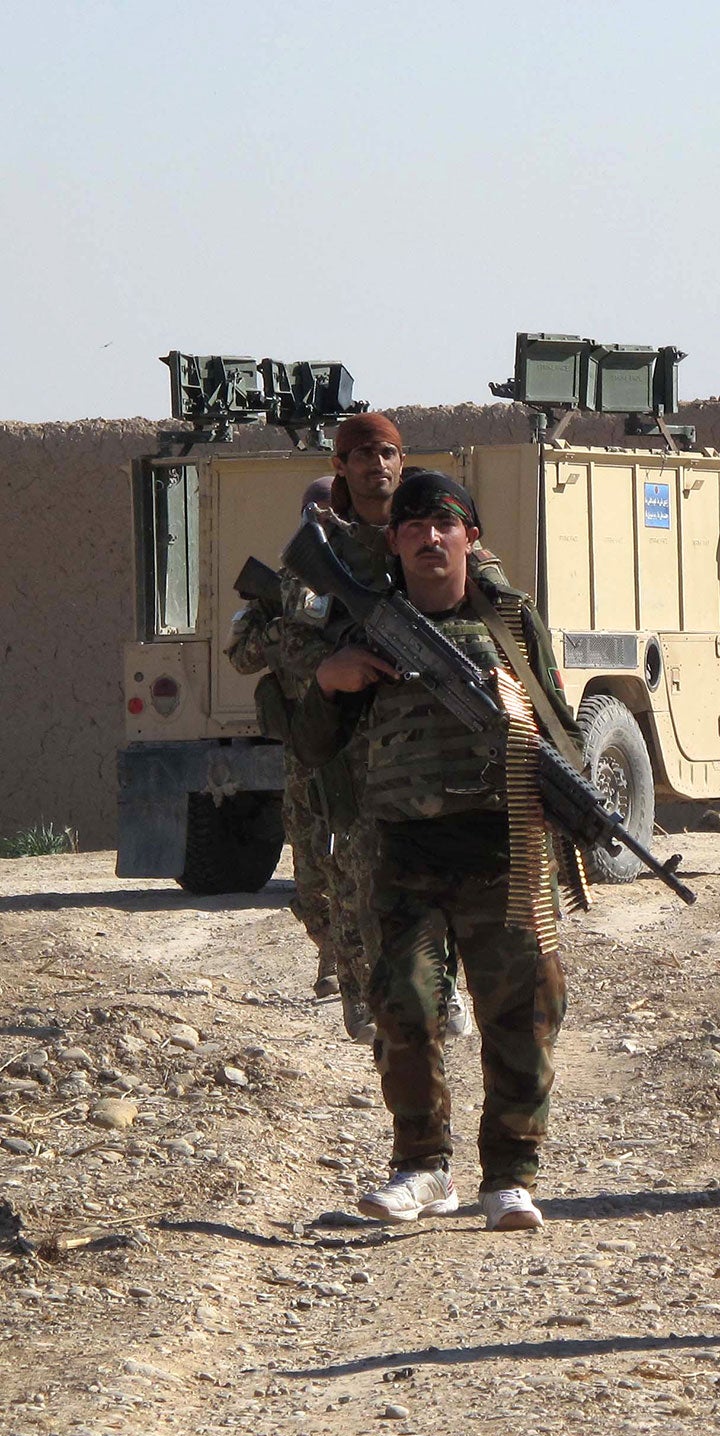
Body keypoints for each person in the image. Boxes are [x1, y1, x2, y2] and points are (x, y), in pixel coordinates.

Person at [293, 472, 576, 1231]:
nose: (428, 537)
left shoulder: (512, 624)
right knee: (405, 1009)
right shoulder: (364, 628)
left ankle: (510, 1176)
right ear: (393, 541)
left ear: (470, 538)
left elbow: (560, 727)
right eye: (412, 526)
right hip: (403, 856)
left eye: (444, 524)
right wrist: (328, 682)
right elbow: (311, 746)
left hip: (504, 852)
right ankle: (422, 1169)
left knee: (522, 1011)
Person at [257, 414, 471, 1044]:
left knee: (441, 869)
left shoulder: (423, 535)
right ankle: (359, 990)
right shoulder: (323, 555)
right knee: (353, 877)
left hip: (426, 741)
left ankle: (443, 986)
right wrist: (335, 667)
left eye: (387, 453)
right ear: (342, 467)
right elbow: (286, 645)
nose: (376, 465)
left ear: (401, 462)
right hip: (350, 743)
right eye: (362, 455)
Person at [227, 475, 345, 997]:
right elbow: (241, 658)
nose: (319, 519)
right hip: (303, 743)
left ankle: (368, 962)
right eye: (311, 511)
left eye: (328, 511)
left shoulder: (360, 580)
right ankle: (331, 956)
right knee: (310, 861)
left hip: (357, 738)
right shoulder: (280, 587)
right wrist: (278, 631)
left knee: (365, 856)